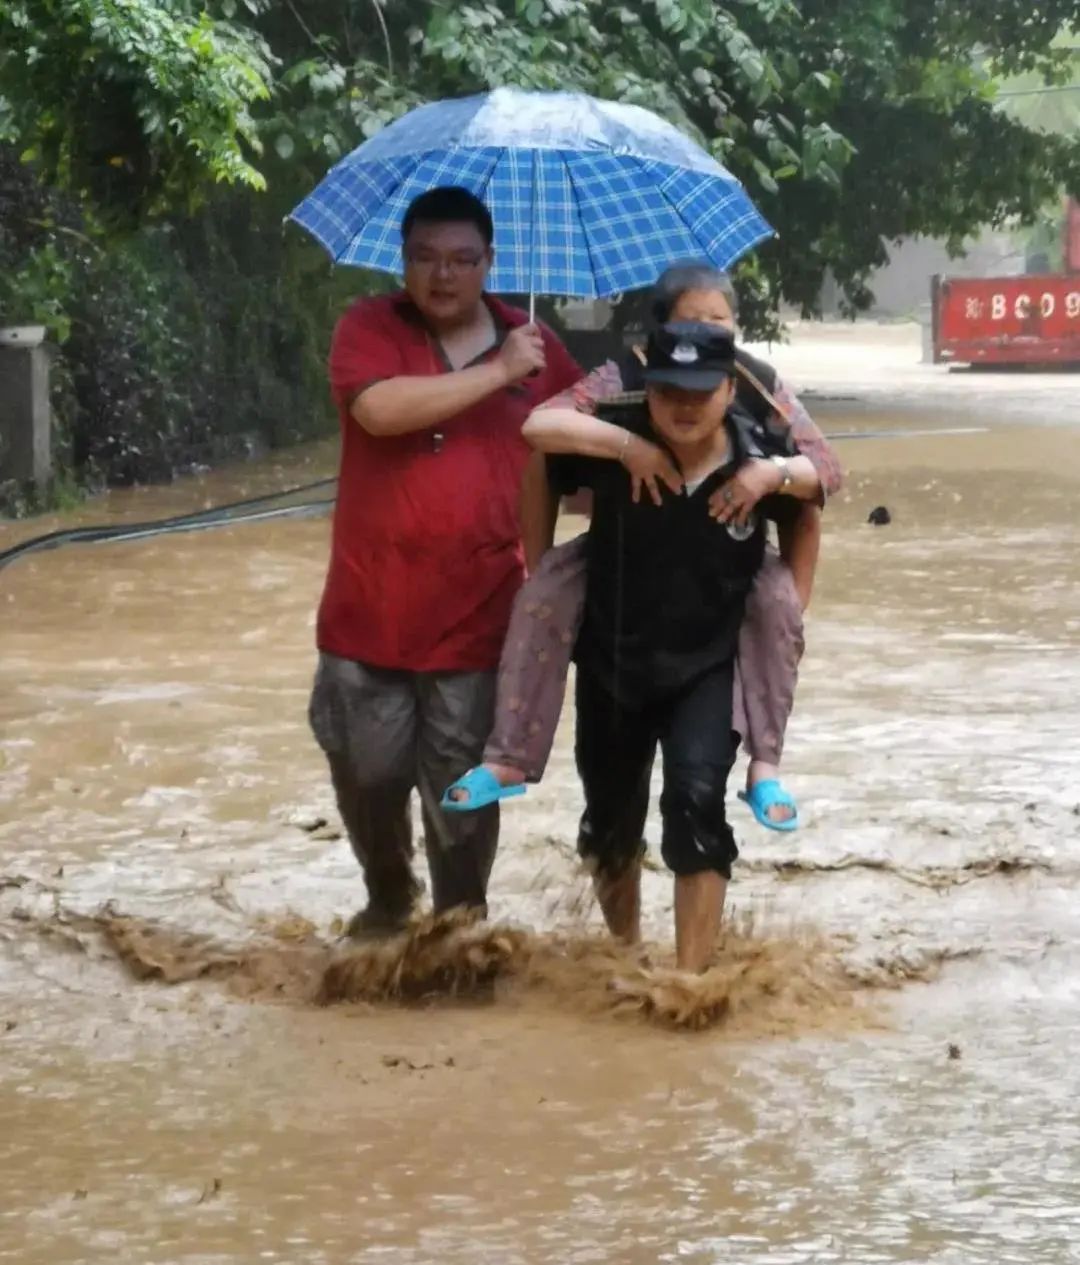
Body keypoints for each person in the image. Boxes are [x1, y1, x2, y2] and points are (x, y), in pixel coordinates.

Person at [443, 263, 842, 829]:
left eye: (718, 321)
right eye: (691, 320)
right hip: (620, 562)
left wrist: (769, 475)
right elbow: (540, 430)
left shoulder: (756, 382)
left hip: (728, 559)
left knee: (778, 612)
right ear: (660, 331)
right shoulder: (626, 374)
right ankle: (508, 757)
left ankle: (766, 764)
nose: (706, 333)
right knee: (540, 598)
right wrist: (627, 446)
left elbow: (824, 473)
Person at [308, 185, 581, 938]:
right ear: (403, 261)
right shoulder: (368, 327)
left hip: (480, 614)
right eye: (425, 257)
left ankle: (458, 927)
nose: (443, 274)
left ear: (491, 263)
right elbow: (379, 411)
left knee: (463, 793)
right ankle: (389, 899)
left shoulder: (537, 345)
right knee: (368, 774)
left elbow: (575, 464)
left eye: (463, 259)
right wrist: (497, 373)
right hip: (369, 612)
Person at [521, 321, 823, 972]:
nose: (684, 406)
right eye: (667, 391)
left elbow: (812, 498)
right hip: (612, 662)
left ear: (728, 388)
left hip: (708, 668)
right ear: (646, 390)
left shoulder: (758, 454)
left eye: (701, 391)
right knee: (609, 821)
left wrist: (791, 607)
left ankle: (690, 980)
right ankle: (626, 954)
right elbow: (539, 451)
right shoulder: (610, 441)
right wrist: (540, 566)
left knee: (696, 800)